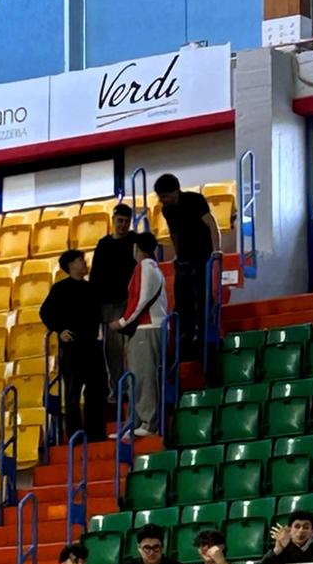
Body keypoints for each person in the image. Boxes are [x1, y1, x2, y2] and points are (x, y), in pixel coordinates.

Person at [40, 249, 105, 444]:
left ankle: (95, 433)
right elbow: (45, 312)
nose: (84, 263)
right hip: (72, 349)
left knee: (95, 392)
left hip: (92, 345)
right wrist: (59, 329)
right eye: (80, 260)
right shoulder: (59, 289)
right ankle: (74, 436)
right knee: (72, 395)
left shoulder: (92, 288)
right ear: (70, 265)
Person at [154, 173, 219, 357]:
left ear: (175, 191)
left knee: (202, 296)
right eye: (160, 197)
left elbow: (211, 224)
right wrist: (177, 253)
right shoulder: (167, 210)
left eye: (165, 196)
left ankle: (204, 336)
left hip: (202, 255)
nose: (162, 200)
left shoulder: (195, 200)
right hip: (184, 258)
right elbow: (173, 233)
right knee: (182, 300)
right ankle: (186, 339)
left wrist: (216, 250)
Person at [112, 231, 169, 437]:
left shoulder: (145, 267)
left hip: (147, 327)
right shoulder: (152, 267)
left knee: (144, 376)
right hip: (147, 327)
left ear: (137, 248)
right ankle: (134, 422)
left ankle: (148, 423)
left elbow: (140, 299)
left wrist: (122, 322)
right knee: (136, 376)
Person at [90, 203, 138, 390]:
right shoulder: (103, 244)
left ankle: (133, 385)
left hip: (130, 301)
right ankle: (118, 388)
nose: (123, 225)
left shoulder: (134, 240)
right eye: (120, 221)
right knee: (113, 351)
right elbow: (95, 276)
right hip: (109, 304)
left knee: (132, 347)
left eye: (127, 221)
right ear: (113, 220)